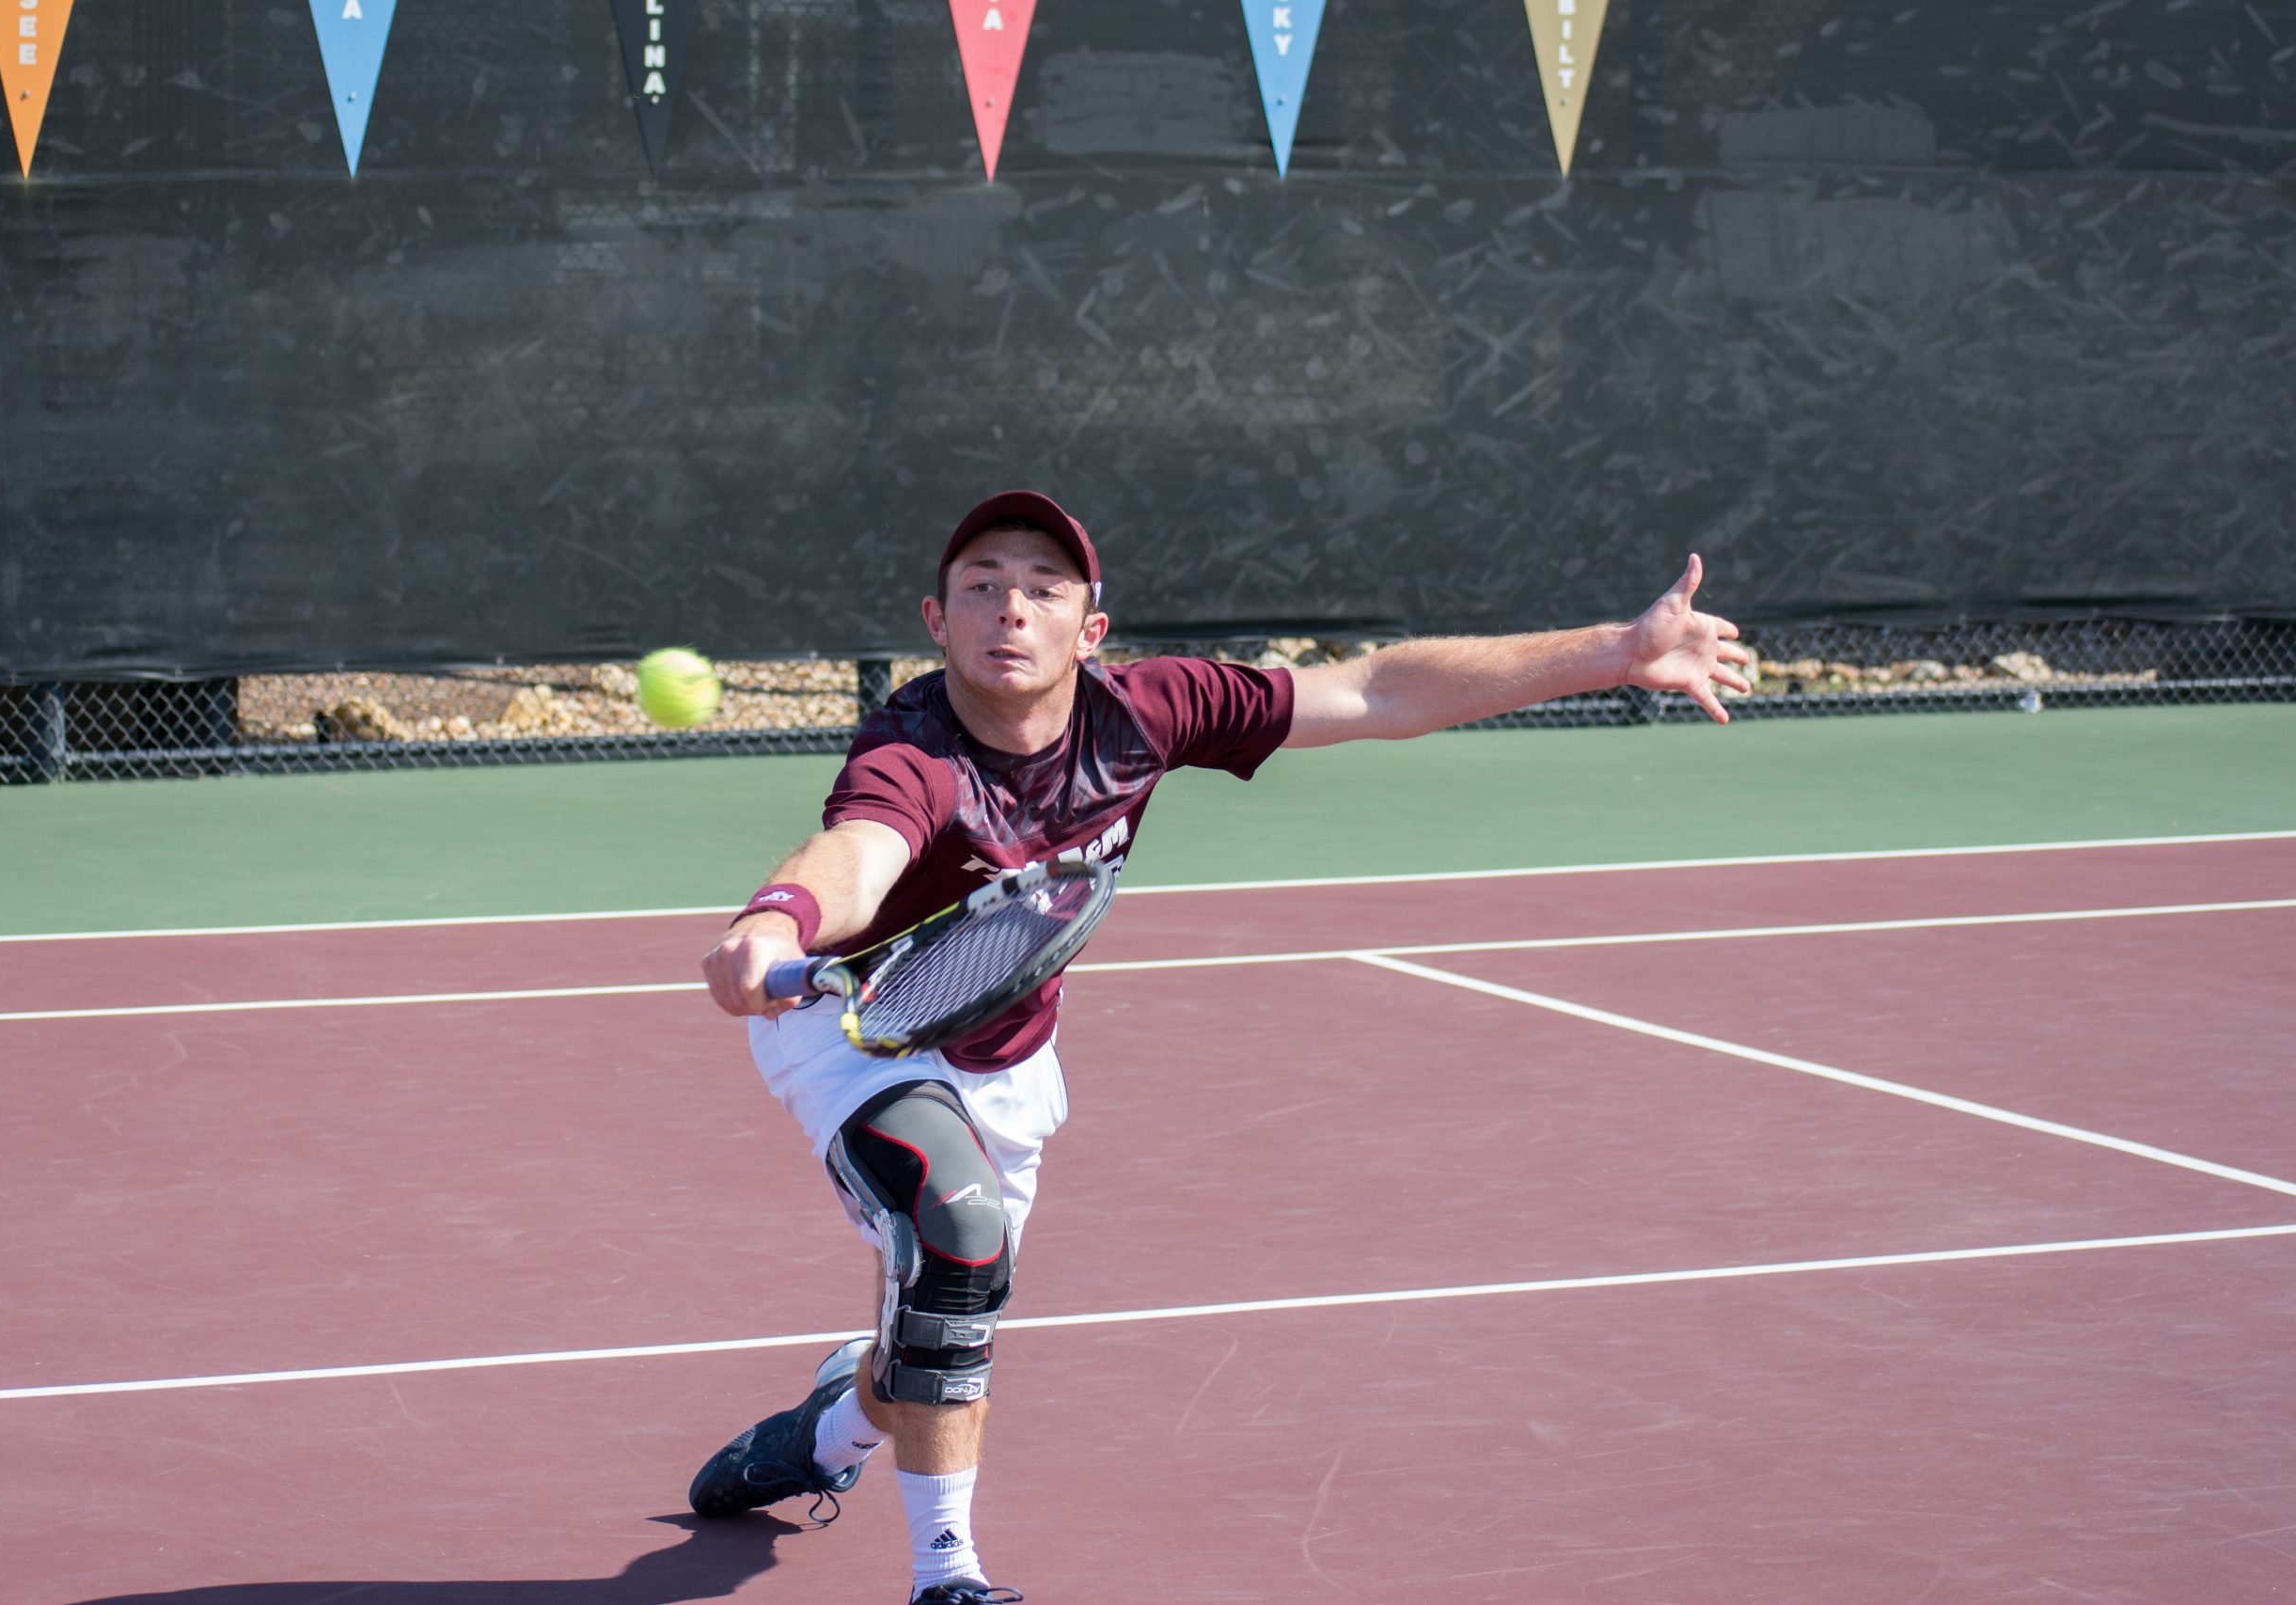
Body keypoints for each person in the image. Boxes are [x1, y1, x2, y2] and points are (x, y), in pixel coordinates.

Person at [689, 491, 1752, 1605]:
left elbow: (1376, 688)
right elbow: (857, 850)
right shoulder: (913, 750)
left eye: (1044, 589)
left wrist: (1615, 651)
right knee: (954, 1236)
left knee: (932, 1335)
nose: (1012, 608)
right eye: (982, 586)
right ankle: (945, 1578)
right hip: (856, 1025)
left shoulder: (1149, 711)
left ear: (1089, 631)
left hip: (1003, 1051)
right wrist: (774, 921)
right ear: (937, 621)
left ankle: (828, 1431)